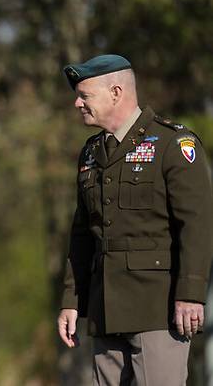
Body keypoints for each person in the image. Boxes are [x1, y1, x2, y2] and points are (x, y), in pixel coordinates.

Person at [57, 54, 213, 385]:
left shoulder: (173, 144)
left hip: (158, 308)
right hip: (104, 308)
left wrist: (191, 293)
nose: (77, 103)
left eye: (85, 96)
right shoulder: (90, 153)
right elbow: (82, 234)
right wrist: (72, 301)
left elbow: (197, 224)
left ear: (116, 92)